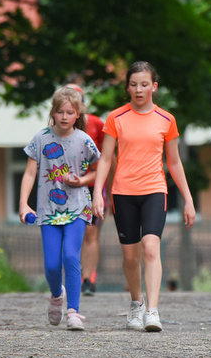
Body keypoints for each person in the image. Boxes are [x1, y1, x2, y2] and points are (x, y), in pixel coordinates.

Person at [93, 61, 196, 333]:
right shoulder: (116, 118)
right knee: (130, 258)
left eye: (144, 84)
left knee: (151, 247)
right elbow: (105, 159)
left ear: (154, 87)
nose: (139, 89)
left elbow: (173, 163)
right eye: (134, 84)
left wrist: (188, 198)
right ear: (127, 87)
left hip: (154, 190)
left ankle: (153, 310)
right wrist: (98, 194)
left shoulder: (166, 120)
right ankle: (136, 304)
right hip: (123, 193)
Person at [19, 87, 100, 330]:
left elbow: (97, 171)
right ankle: (56, 296)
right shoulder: (40, 139)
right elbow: (29, 172)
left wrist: (82, 181)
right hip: (49, 210)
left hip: (78, 208)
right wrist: (23, 204)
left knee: (70, 256)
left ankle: (73, 312)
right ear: (53, 113)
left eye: (70, 112)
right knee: (52, 264)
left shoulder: (84, 140)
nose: (64, 117)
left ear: (78, 115)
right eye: (60, 112)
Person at [66, 84, 110, 297]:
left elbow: (107, 159)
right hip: (65, 188)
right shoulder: (58, 125)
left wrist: (107, 190)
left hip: (92, 187)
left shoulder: (96, 123)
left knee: (91, 232)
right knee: (70, 233)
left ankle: (88, 279)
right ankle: (72, 277)